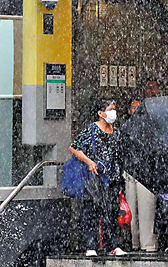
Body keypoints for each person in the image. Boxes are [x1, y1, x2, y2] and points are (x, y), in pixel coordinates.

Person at [69, 98, 127, 257]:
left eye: (114, 109)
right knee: (91, 212)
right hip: (95, 178)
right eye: (110, 109)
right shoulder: (91, 130)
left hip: (113, 178)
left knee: (112, 212)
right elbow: (74, 148)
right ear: (100, 113)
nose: (113, 112)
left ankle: (113, 245)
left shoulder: (116, 132)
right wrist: (89, 161)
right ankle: (90, 245)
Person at [124, 81, 161, 253]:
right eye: (133, 107)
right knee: (131, 209)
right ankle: (133, 242)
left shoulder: (151, 126)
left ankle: (148, 244)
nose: (136, 110)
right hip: (130, 171)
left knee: (147, 209)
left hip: (146, 171)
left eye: (139, 108)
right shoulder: (125, 127)